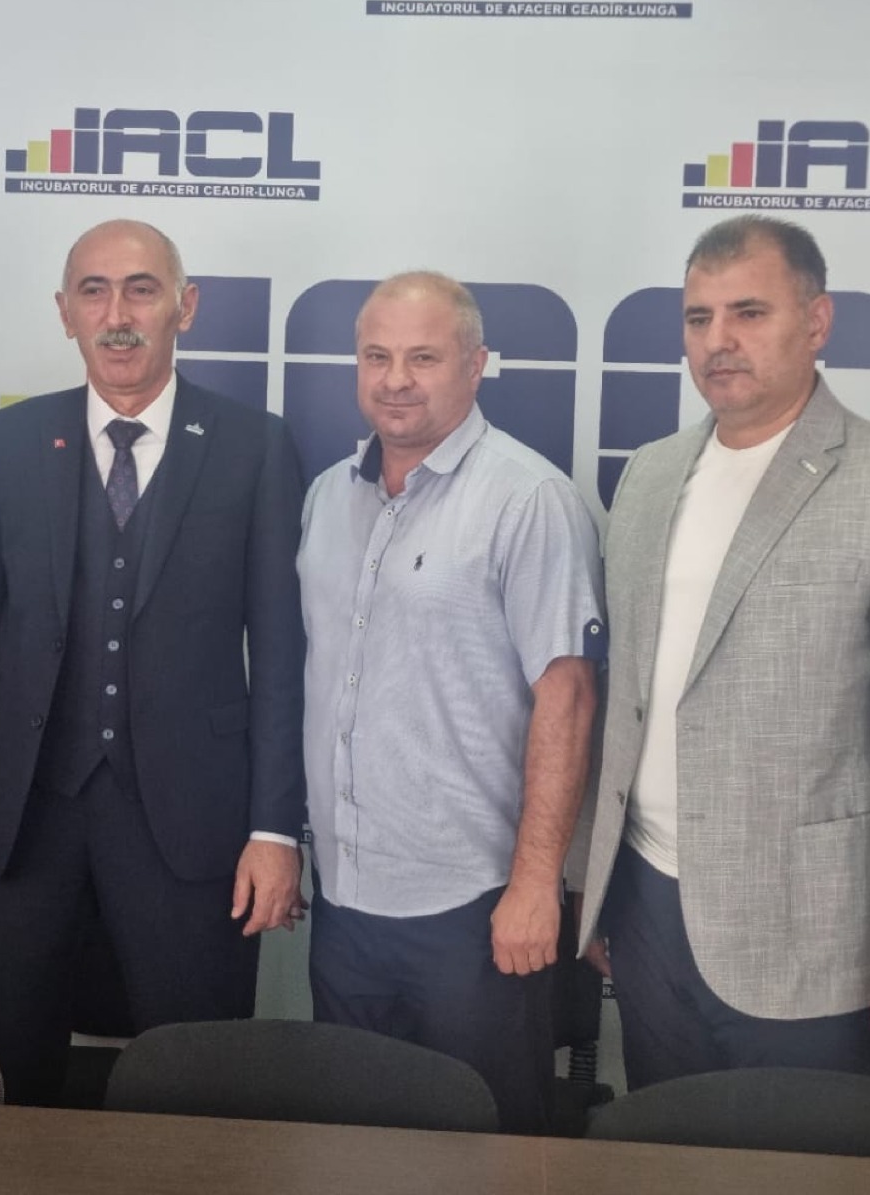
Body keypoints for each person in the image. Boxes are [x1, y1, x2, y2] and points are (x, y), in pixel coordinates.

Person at [578, 214, 870, 1089]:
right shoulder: (650, 475)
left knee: (798, 1156)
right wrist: (601, 889)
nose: (718, 340)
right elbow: (629, 702)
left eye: (749, 312)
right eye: (699, 317)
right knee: (663, 1145)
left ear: (817, 321)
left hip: (810, 939)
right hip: (650, 908)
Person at [0, 218, 306, 1105]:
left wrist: (275, 828)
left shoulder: (253, 446)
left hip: (194, 823)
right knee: (10, 1076)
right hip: (26, 818)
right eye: (93, 291)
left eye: (141, 289)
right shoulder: (8, 442)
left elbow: (284, 655)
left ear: (185, 306)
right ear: (65, 312)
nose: (117, 314)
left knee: (198, 1080)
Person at [297, 271, 603, 1135]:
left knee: (487, 1149)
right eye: (377, 356)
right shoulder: (327, 496)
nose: (396, 379)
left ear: (475, 365)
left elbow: (569, 698)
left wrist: (537, 885)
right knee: (353, 1146)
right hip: (345, 902)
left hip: (474, 909)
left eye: (423, 358)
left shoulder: (527, 498)